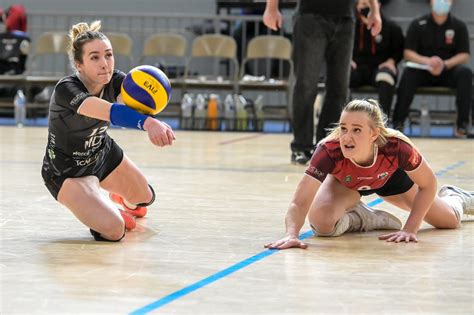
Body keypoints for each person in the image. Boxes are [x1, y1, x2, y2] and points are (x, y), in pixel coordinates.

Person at [265, 99, 473, 249]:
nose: (346, 136)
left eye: (356, 130)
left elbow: (428, 184)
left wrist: (410, 229)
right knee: (323, 223)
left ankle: (457, 197)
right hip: (347, 184)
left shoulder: (396, 146)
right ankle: (369, 218)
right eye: (344, 128)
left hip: (391, 180)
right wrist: (291, 235)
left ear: (374, 133)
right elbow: (299, 201)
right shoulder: (328, 150)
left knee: (449, 221)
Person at [41, 21, 176, 242]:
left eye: (109, 55)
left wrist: (151, 104)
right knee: (115, 230)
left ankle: (119, 201)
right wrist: (149, 124)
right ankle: (106, 209)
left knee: (145, 199)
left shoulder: (116, 81)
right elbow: (112, 112)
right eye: (94, 57)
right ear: (79, 64)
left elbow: (133, 104)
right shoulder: (67, 89)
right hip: (66, 172)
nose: (105, 64)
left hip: (102, 155)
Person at [263, 0, 382, 165]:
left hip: (345, 17)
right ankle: (301, 146)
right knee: (306, 85)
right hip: (310, 15)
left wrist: (374, 9)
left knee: (339, 88)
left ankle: (327, 146)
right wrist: (271, 7)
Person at [392, 0, 471, 138]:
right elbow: (408, 53)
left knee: (465, 73)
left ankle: (462, 125)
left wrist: (444, 64)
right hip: (423, 70)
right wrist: (428, 61)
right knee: (408, 74)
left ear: (451, 2)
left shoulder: (459, 26)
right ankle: (398, 122)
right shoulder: (418, 24)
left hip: (448, 71)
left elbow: (464, 55)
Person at [350, 0, 404, 120]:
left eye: (368, 4)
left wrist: (392, 61)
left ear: (376, 5)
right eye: (362, 4)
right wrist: (347, 60)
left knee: (386, 76)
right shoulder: (350, 27)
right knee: (341, 76)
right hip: (357, 68)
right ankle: (349, 120)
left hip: (379, 68)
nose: (365, 8)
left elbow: (399, 50)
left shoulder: (391, 27)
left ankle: (382, 122)